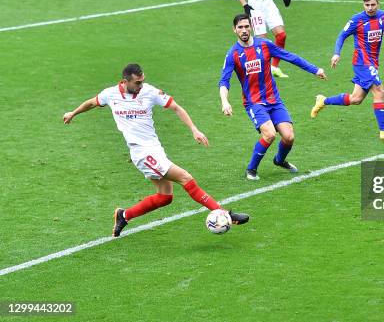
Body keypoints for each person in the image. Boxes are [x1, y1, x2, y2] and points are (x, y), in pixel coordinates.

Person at [63, 64, 249, 237]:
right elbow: (91, 103)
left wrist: (194, 129)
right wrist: (73, 113)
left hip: (155, 148)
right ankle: (225, 213)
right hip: (141, 153)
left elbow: (176, 107)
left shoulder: (150, 92)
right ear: (124, 81)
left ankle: (124, 215)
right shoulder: (110, 94)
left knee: (165, 197)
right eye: (137, 82)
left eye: (142, 81)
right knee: (185, 177)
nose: (141, 85)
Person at [219, 14, 327, 180]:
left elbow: (291, 57)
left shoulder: (265, 45)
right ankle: (251, 169)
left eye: (247, 26)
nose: (244, 30)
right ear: (234, 30)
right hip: (254, 103)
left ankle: (279, 160)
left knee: (289, 137)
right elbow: (224, 81)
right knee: (269, 134)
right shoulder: (233, 54)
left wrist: (315, 69)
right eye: (240, 27)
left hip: (274, 100)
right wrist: (225, 101)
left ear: (252, 27)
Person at [310, 0, 384, 140]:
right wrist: (337, 53)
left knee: (356, 99)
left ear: (378, 4)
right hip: (362, 62)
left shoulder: (383, 16)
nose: (370, 8)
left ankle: (323, 101)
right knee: (379, 91)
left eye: (373, 4)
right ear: (363, 4)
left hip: (373, 62)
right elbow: (342, 35)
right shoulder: (357, 20)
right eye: (367, 5)